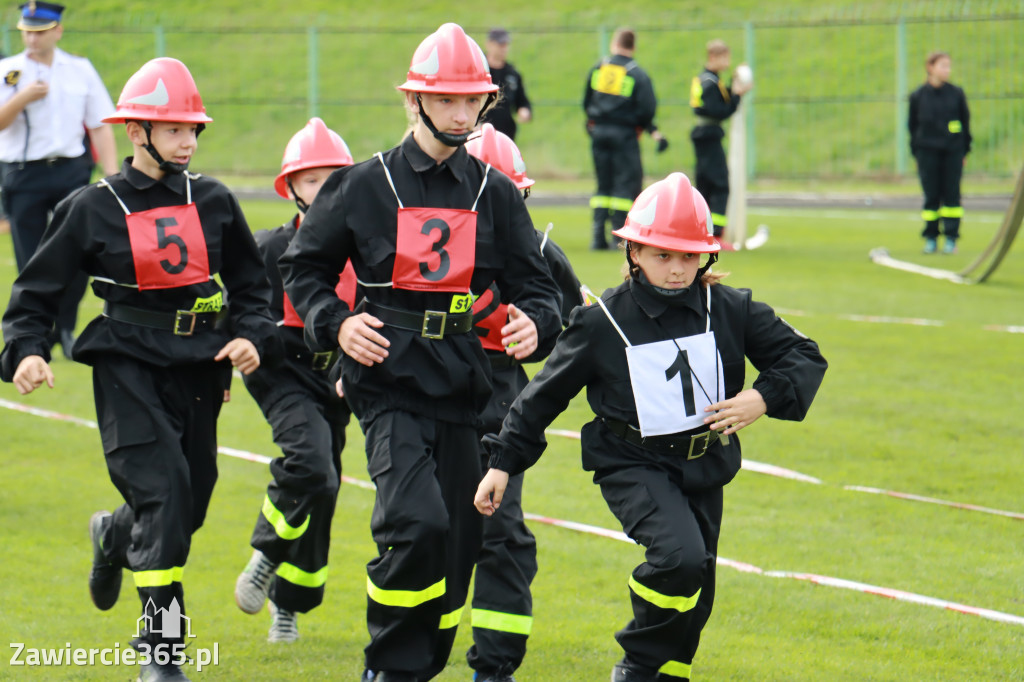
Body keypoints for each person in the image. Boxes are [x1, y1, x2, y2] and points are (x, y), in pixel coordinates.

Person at [277, 23, 562, 682]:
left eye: (472, 101)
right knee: (415, 522)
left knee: (461, 542)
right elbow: (304, 268)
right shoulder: (362, 183)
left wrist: (536, 326)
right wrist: (337, 324)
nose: (462, 113)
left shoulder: (494, 192)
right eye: (447, 100)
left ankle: (423, 661)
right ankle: (389, 667)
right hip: (386, 382)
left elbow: (537, 285)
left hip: (466, 388)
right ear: (416, 101)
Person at [474, 172, 827, 682]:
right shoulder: (602, 322)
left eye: (688, 255)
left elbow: (803, 355)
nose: (677, 269)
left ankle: (665, 672)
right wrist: (502, 464)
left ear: (707, 256)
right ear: (634, 251)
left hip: (705, 464)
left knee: (697, 589)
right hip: (631, 462)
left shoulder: (730, 308)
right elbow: (540, 397)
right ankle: (637, 664)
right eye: (663, 255)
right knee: (679, 558)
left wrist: (761, 397)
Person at [0, 57, 279, 682]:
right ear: (136, 133)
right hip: (126, 364)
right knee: (165, 495)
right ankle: (162, 655)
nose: (186, 140)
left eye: (193, 130)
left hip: (200, 369)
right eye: (173, 128)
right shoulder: (91, 206)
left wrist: (250, 337)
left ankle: (112, 536)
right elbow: (35, 294)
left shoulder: (214, 200)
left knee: (191, 498)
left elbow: (252, 286)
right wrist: (29, 350)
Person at [463, 122, 583, 682]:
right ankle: (403, 657)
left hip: (500, 404)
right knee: (419, 529)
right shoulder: (413, 236)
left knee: (503, 533)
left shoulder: (538, 252)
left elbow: (579, 330)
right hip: (416, 402)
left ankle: (494, 668)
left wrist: (540, 330)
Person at [233, 117, 357, 643]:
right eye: (312, 179)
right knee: (312, 467)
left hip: (337, 385)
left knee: (325, 489)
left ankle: (290, 605)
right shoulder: (269, 248)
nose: (324, 188)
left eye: (334, 178)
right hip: (278, 373)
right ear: (291, 189)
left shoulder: (364, 253)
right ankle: (264, 554)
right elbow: (240, 309)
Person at [0, 2, 119, 359]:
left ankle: (65, 327)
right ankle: (36, 334)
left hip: (70, 170)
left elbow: (100, 124)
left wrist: (112, 175)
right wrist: (22, 98)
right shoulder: (9, 71)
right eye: (27, 31)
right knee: (32, 259)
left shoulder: (80, 70)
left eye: (39, 31)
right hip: (24, 174)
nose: (32, 38)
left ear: (57, 31)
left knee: (80, 251)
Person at [584, 27, 667, 251]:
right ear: (633, 46)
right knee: (625, 185)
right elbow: (647, 108)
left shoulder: (599, 68)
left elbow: (587, 100)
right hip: (625, 135)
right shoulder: (636, 73)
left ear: (614, 43)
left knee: (603, 185)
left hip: (598, 133)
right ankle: (618, 238)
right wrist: (648, 127)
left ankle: (597, 237)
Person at [689, 39, 752, 247]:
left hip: (704, 135)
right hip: (709, 135)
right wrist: (736, 96)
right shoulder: (709, 83)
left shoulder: (706, 79)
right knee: (719, 185)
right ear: (713, 57)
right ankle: (715, 235)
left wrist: (732, 90)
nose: (727, 62)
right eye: (725, 57)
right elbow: (720, 110)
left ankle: (703, 233)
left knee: (705, 185)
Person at [908, 51, 971, 255]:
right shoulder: (918, 96)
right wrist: (916, 153)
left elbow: (965, 123)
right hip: (927, 153)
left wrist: (964, 150)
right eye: (943, 66)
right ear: (930, 67)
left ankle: (951, 238)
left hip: (952, 152)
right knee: (931, 197)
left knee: (952, 196)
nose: (947, 70)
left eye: (948, 66)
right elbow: (912, 127)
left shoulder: (956, 94)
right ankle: (931, 238)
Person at [482, 28, 532, 141]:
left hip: (506, 136)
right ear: (489, 44)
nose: (503, 49)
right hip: (480, 134)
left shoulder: (512, 74)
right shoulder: (479, 70)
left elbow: (522, 101)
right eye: (500, 44)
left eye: (505, 45)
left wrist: (524, 111)